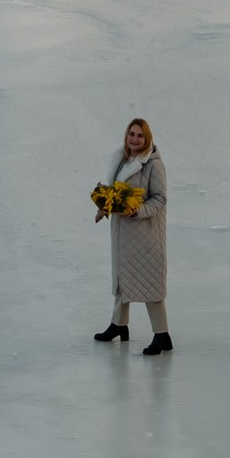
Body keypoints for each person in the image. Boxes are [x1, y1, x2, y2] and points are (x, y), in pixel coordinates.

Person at [93, 118, 172, 356]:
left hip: (145, 234)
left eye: (140, 135)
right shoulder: (121, 159)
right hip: (122, 233)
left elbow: (160, 199)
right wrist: (104, 206)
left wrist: (137, 211)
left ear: (147, 138)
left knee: (150, 283)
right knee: (122, 280)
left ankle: (162, 335)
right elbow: (117, 193)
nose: (135, 139)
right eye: (131, 134)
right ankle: (119, 325)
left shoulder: (153, 165)